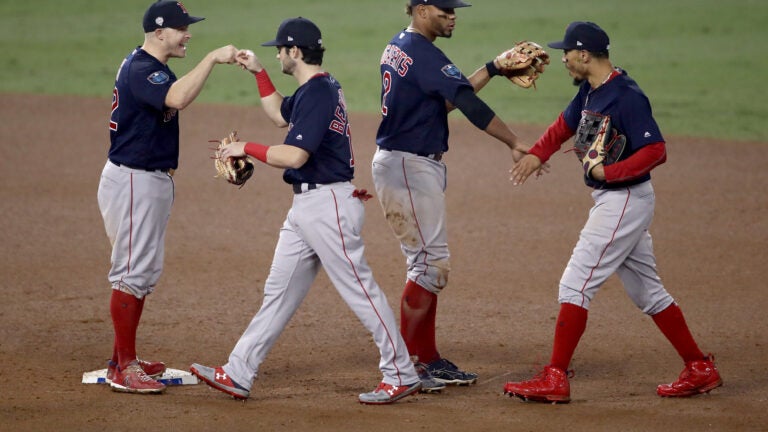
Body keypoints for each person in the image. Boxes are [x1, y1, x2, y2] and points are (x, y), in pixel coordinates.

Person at [189, 17, 421, 405]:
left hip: (327, 204)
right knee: (278, 293)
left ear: (294, 52)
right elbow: (281, 114)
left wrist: (246, 147)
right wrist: (260, 73)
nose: (277, 54)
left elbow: (294, 154)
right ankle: (239, 370)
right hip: (308, 207)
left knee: (360, 290)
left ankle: (400, 371)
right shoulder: (317, 88)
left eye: (278, 50)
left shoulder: (317, 94)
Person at [505, 21, 722, 403]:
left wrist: (609, 171)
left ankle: (555, 377)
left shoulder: (626, 95)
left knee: (575, 283)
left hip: (624, 200)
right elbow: (564, 125)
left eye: (567, 53)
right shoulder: (591, 91)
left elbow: (656, 151)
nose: (563, 59)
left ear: (584, 54)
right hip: (618, 201)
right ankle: (699, 367)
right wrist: (538, 153)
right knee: (648, 292)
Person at [372, 0, 534, 392]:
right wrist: (513, 141)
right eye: (444, 9)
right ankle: (411, 363)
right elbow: (466, 104)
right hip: (409, 166)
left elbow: (444, 98)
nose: (453, 15)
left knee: (426, 265)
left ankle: (423, 359)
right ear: (422, 10)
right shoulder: (423, 53)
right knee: (428, 266)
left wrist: (492, 68)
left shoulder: (400, 45)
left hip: (405, 162)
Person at [97, 0, 238, 394]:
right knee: (130, 273)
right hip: (133, 181)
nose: (188, 33)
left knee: (142, 273)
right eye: (181, 28)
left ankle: (120, 359)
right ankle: (124, 367)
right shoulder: (143, 68)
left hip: (148, 181)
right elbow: (176, 98)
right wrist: (212, 58)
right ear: (159, 32)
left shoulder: (152, 68)